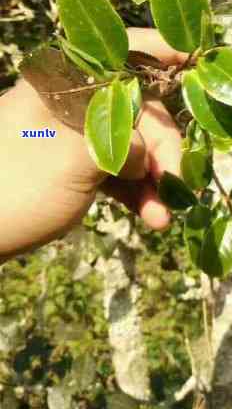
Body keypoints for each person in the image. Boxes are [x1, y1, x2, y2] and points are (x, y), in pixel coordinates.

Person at [0, 28, 185, 263]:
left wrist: (30, 134)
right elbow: (32, 134)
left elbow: (31, 134)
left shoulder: (33, 132)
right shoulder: (33, 132)